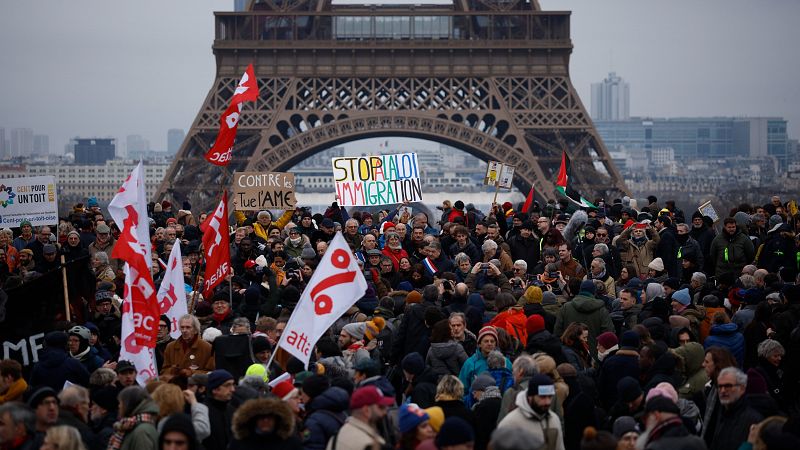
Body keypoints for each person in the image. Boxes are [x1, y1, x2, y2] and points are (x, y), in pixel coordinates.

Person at [497, 374, 565, 450]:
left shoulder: (554, 420)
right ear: (530, 397)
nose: (547, 402)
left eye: (550, 397)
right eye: (542, 397)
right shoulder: (510, 423)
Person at [707, 367, 763, 450]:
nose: (722, 390)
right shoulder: (722, 413)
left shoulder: (752, 419)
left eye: (728, 386)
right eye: (720, 386)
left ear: (742, 388)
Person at [326, 385, 393, 450]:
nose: (385, 412)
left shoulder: (337, 435)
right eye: (381, 407)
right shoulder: (370, 445)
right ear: (366, 411)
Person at [229, 397, 302, 450]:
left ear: (277, 418)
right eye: (261, 417)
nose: (266, 420)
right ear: (254, 419)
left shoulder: (291, 442)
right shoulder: (240, 442)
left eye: (270, 417)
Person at [638, 395, 705, 449]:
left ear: (656, 416)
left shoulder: (654, 447)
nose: (645, 423)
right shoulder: (698, 442)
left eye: (646, 418)